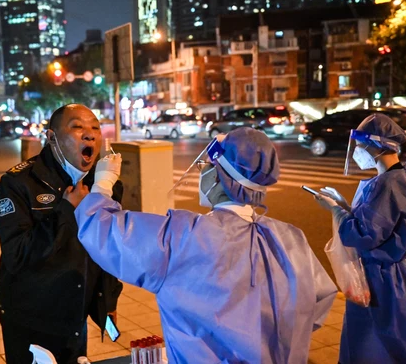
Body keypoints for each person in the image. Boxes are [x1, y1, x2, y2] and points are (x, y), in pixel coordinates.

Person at [66, 127, 337, 363]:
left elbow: (106, 233)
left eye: (207, 166)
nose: (203, 172)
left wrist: (102, 185)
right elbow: (319, 302)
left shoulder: (183, 236)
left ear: (219, 178)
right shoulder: (291, 239)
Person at [313, 114, 406, 364]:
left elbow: (364, 234)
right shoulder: (398, 179)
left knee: (391, 344)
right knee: (397, 340)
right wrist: (344, 205)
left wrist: (335, 210)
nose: (357, 151)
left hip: (382, 282)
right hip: (392, 277)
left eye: (361, 146)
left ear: (375, 145)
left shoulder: (387, 185)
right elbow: (380, 224)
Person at [0, 104, 123, 364]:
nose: (89, 135)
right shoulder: (18, 182)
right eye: (77, 127)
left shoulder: (104, 185)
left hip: (76, 313)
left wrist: (108, 300)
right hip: (32, 318)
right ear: (51, 136)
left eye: (95, 128)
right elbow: (17, 255)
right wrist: (66, 209)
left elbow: (108, 248)